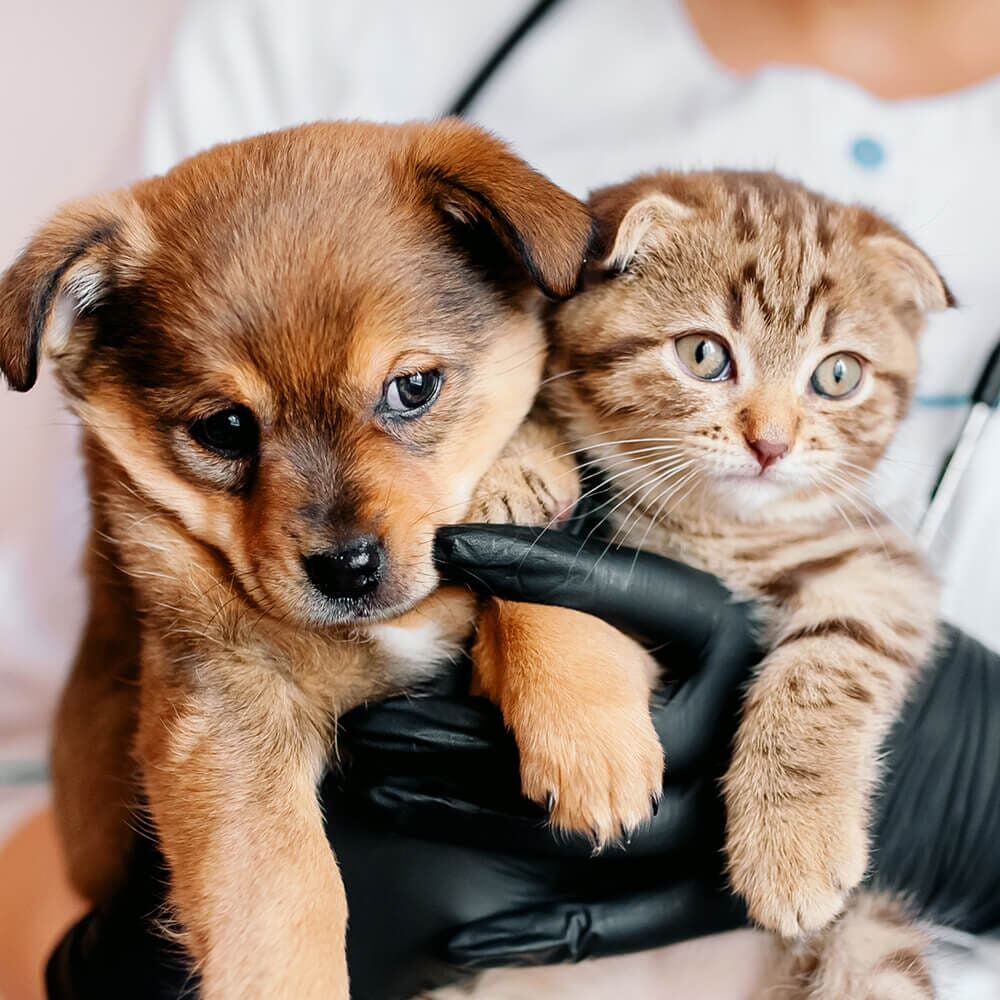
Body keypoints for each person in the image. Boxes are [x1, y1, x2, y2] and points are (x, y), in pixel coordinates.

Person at [4, 0, 1000, 996]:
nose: (336, 530)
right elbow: (29, 760)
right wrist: (136, 963)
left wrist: (974, 800)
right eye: (227, 431)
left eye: (411, 391)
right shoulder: (316, 27)